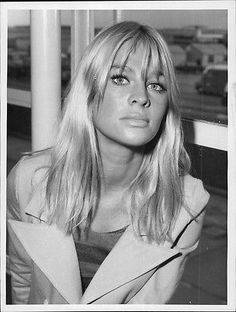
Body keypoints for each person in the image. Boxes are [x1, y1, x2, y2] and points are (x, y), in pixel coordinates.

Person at [7, 21, 210, 304]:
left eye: (155, 85)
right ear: (88, 93)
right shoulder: (28, 180)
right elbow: (21, 276)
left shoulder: (185, 204)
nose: (142, 97)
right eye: (120, 78)